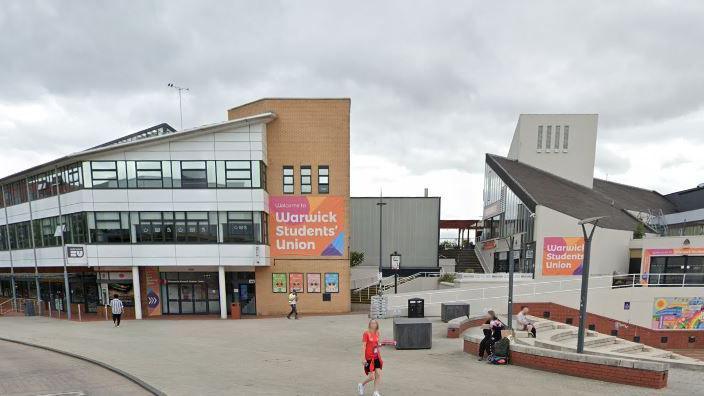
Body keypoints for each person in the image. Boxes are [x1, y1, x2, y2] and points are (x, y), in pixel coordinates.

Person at [358, 319, 383, 396]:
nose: (373, 324)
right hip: (369, 358)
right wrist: (363, 358)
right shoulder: (366, 333)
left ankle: (375, 392)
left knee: (378, 374)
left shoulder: (378, 333)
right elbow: (363, 346)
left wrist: (380, 345)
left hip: (376, 357)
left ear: (377, 325)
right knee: (371, 377)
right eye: (372, 323)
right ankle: (361, 385)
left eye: (375, 323)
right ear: (369, 324)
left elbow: (377, 344)